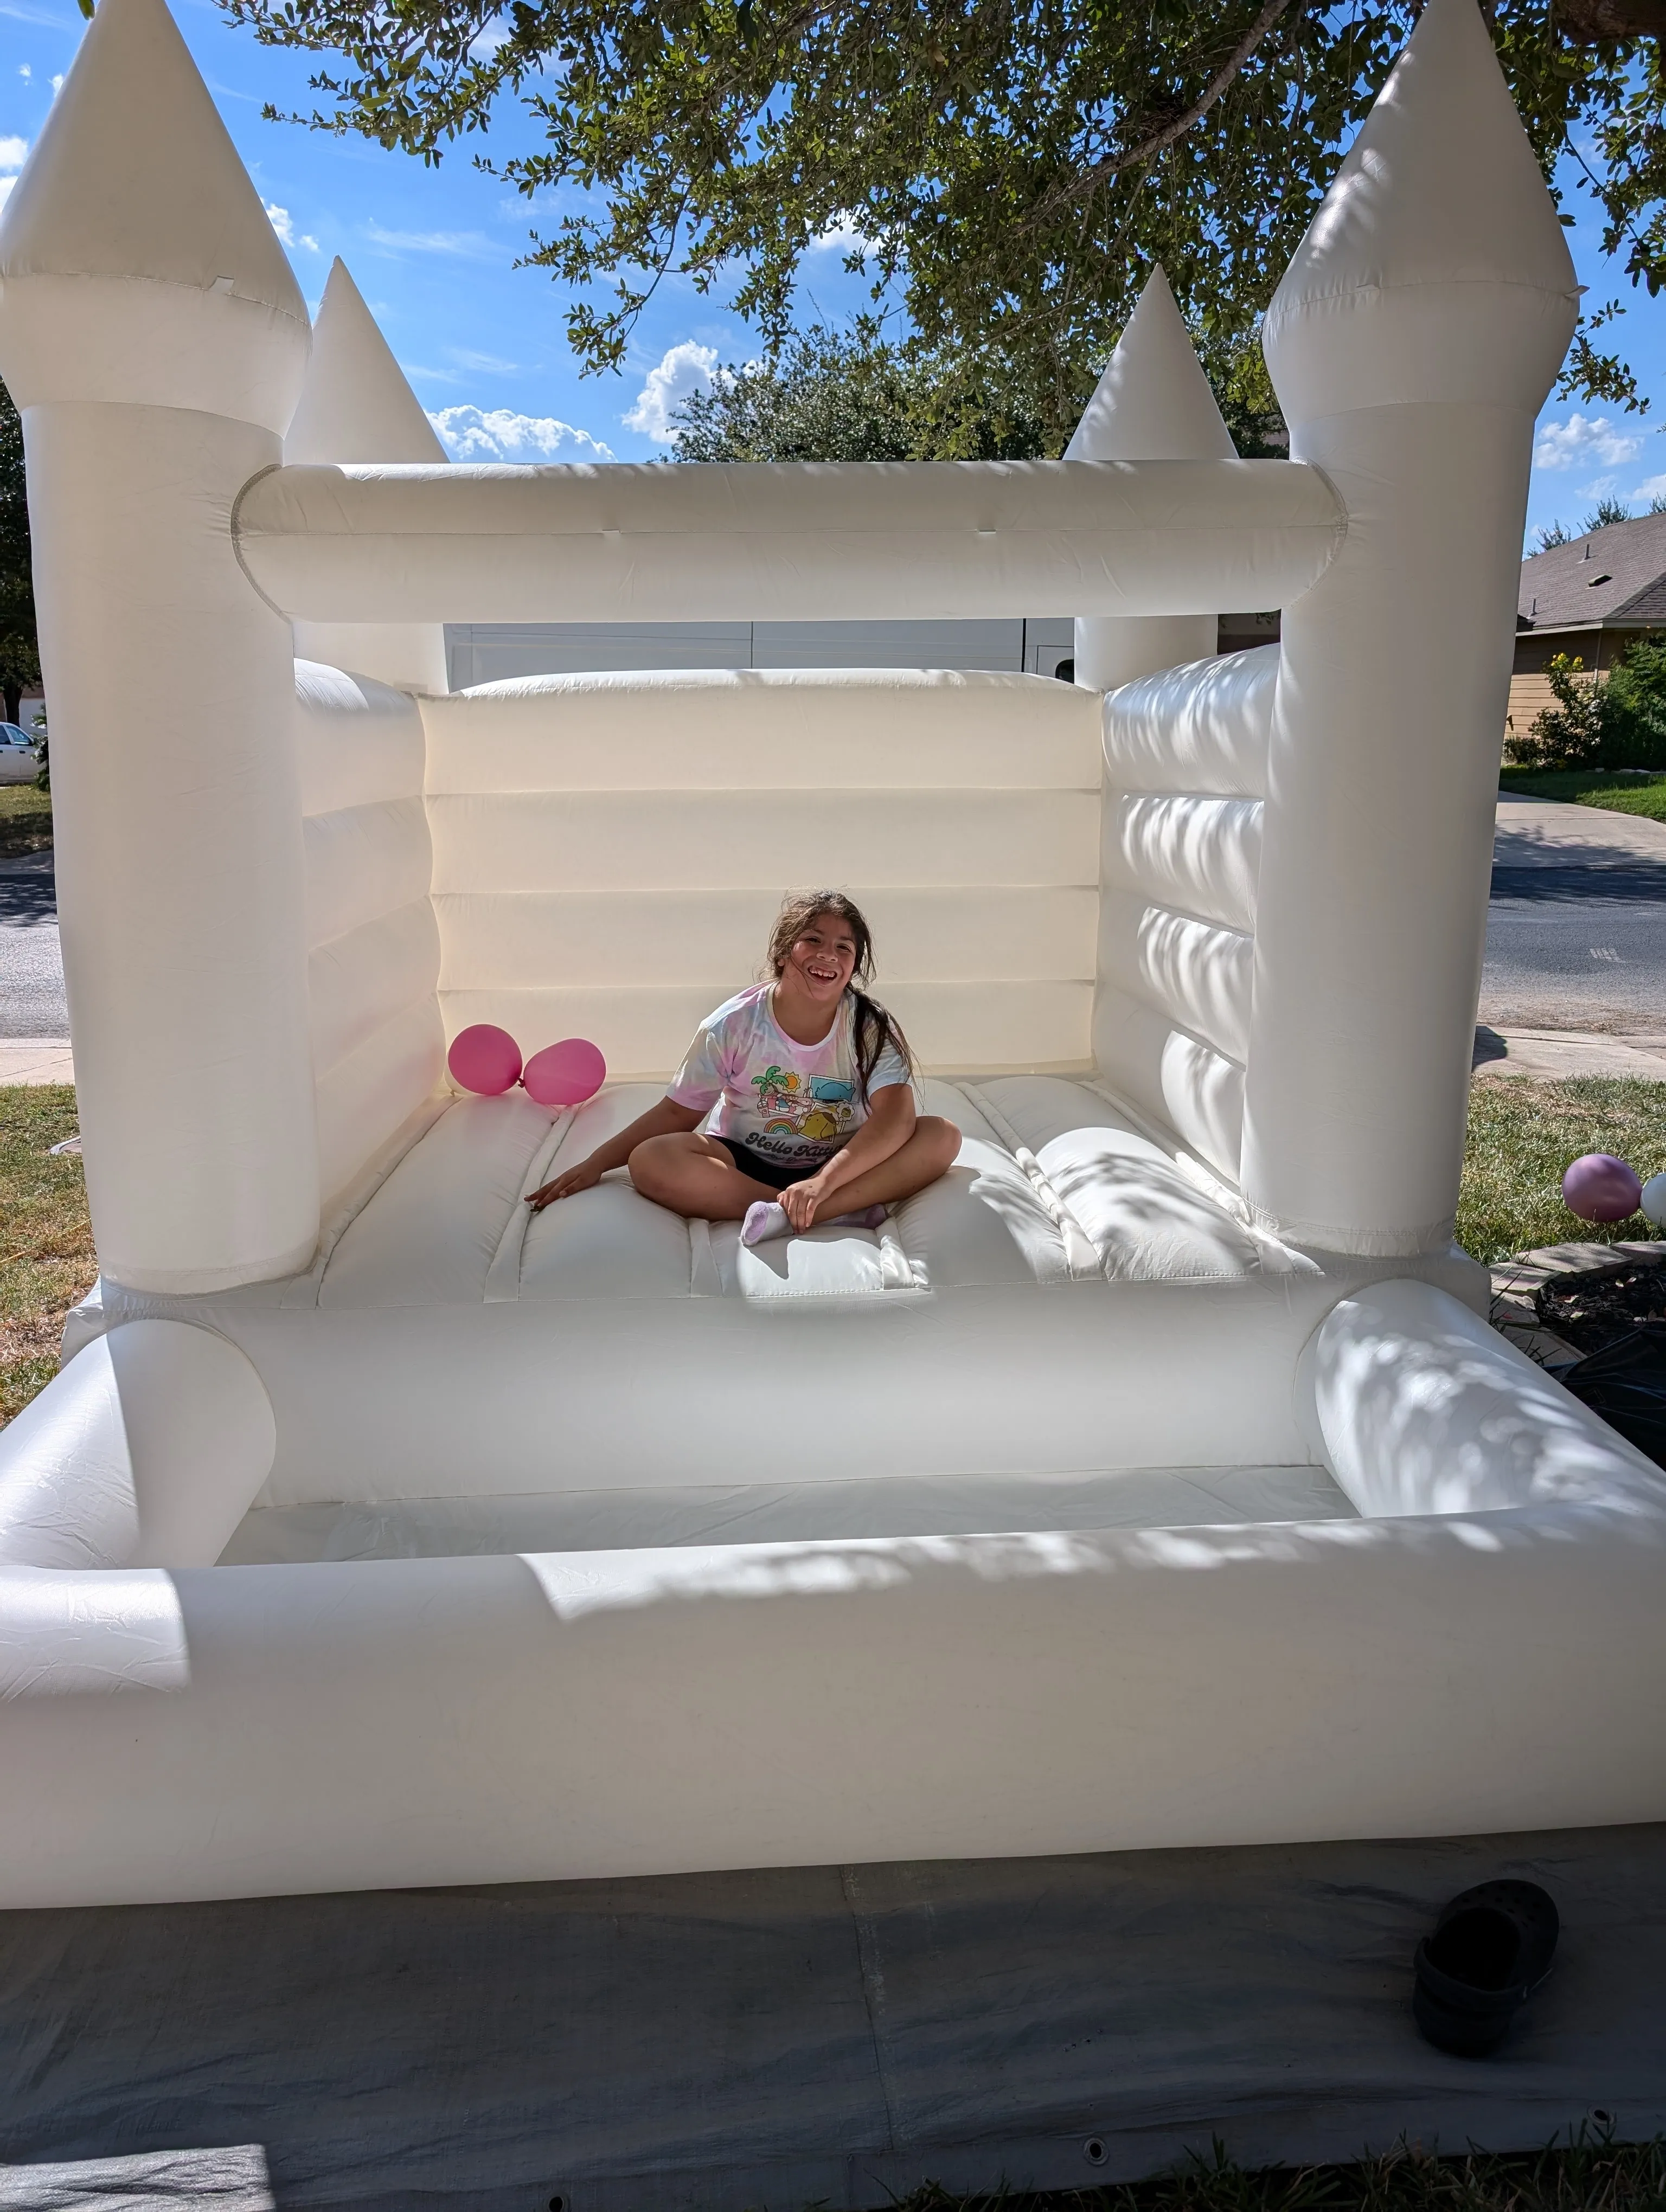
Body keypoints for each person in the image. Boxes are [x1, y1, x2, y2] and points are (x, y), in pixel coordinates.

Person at [527, 891, 960, 1244]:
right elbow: (678, 1113)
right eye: (813, 940)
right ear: (783, 951)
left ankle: (809, 1211)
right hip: (746, 1162)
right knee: (651, 1160)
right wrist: (597, 1164)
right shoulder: (732, 1025)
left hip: (842, 1163)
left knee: (942, 1135)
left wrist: (823, 1184)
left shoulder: (868, 1027)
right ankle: (789, 1209)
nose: (828, 954)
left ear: (853, 969)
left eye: (843, 948)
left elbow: (896, 1119)